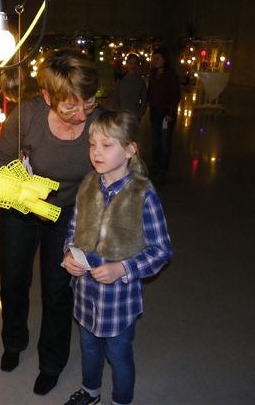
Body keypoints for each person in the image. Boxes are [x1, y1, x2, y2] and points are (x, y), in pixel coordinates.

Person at [0, 49, 103, 395]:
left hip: (69, 211)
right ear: (46, 96)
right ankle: (14, 341)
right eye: (69, 107)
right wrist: (27, 196)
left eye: (88, 102)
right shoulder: (27, 116)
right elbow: (0, 165)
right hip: (22, 206)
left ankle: (52, 362)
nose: (81, 114)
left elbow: (115, 177)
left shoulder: (99, 122)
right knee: (13, 279)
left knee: (58, 289)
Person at [62, 110, 172, 405]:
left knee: (119, 355)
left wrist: (123, 268)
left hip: (118, 302)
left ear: (130, 150)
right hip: (86, 295)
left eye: (107, 145)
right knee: (89, 348)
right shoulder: (87, 184)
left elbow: (161, 251)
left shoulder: (143, 195)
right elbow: (73, 229)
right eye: (92, 144)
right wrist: (68, 254)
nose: (96, 152)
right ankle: (90, 392)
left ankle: (121, 400)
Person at [147, 47, 180, 183]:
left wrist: (170, 113)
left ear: (164, 59)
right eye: (154, 58)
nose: (155, 61)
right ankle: (155, 165)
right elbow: (150, 91)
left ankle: (163, 169)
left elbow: (175, 96)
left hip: (166, 114)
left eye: (158, 58)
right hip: (155, 112)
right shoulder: (153, 74)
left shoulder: (170, 75)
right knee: (155, 141)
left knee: (165, 142)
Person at [113, 53, 147, 119]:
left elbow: (144, 100)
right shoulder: (120, 80)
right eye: (130, 63)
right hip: (121, 116)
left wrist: (139, 114)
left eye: (135, 63)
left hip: (135, 116)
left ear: (138, 65)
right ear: (127, 64)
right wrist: (118, 113)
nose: (133, 66)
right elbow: (116, 98)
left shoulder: (141, 82)